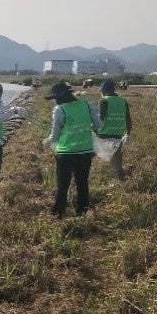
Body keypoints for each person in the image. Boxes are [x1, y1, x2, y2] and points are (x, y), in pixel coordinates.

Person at [42, 82, 102, 217]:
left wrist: (45, 142)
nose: (55, 101)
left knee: (63, 185)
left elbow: (54, 136)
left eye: (55, 98)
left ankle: (58, 214)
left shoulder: (59, 109)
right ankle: (82, 212)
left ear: (60, 96)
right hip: (85, 151)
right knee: (82, 182)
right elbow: (98, 125)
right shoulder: (87, 105)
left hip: (65, 152)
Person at [96, 79, 132, 181]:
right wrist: (128, 133)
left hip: (103, 132)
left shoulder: (103, 101)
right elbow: (128, 118)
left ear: (103, 90)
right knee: (117, 154)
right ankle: (120, 175)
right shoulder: (123, 101)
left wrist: (92, 129)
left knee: (91, 152)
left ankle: (79, 171)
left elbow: (100, 117)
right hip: (117, 132)